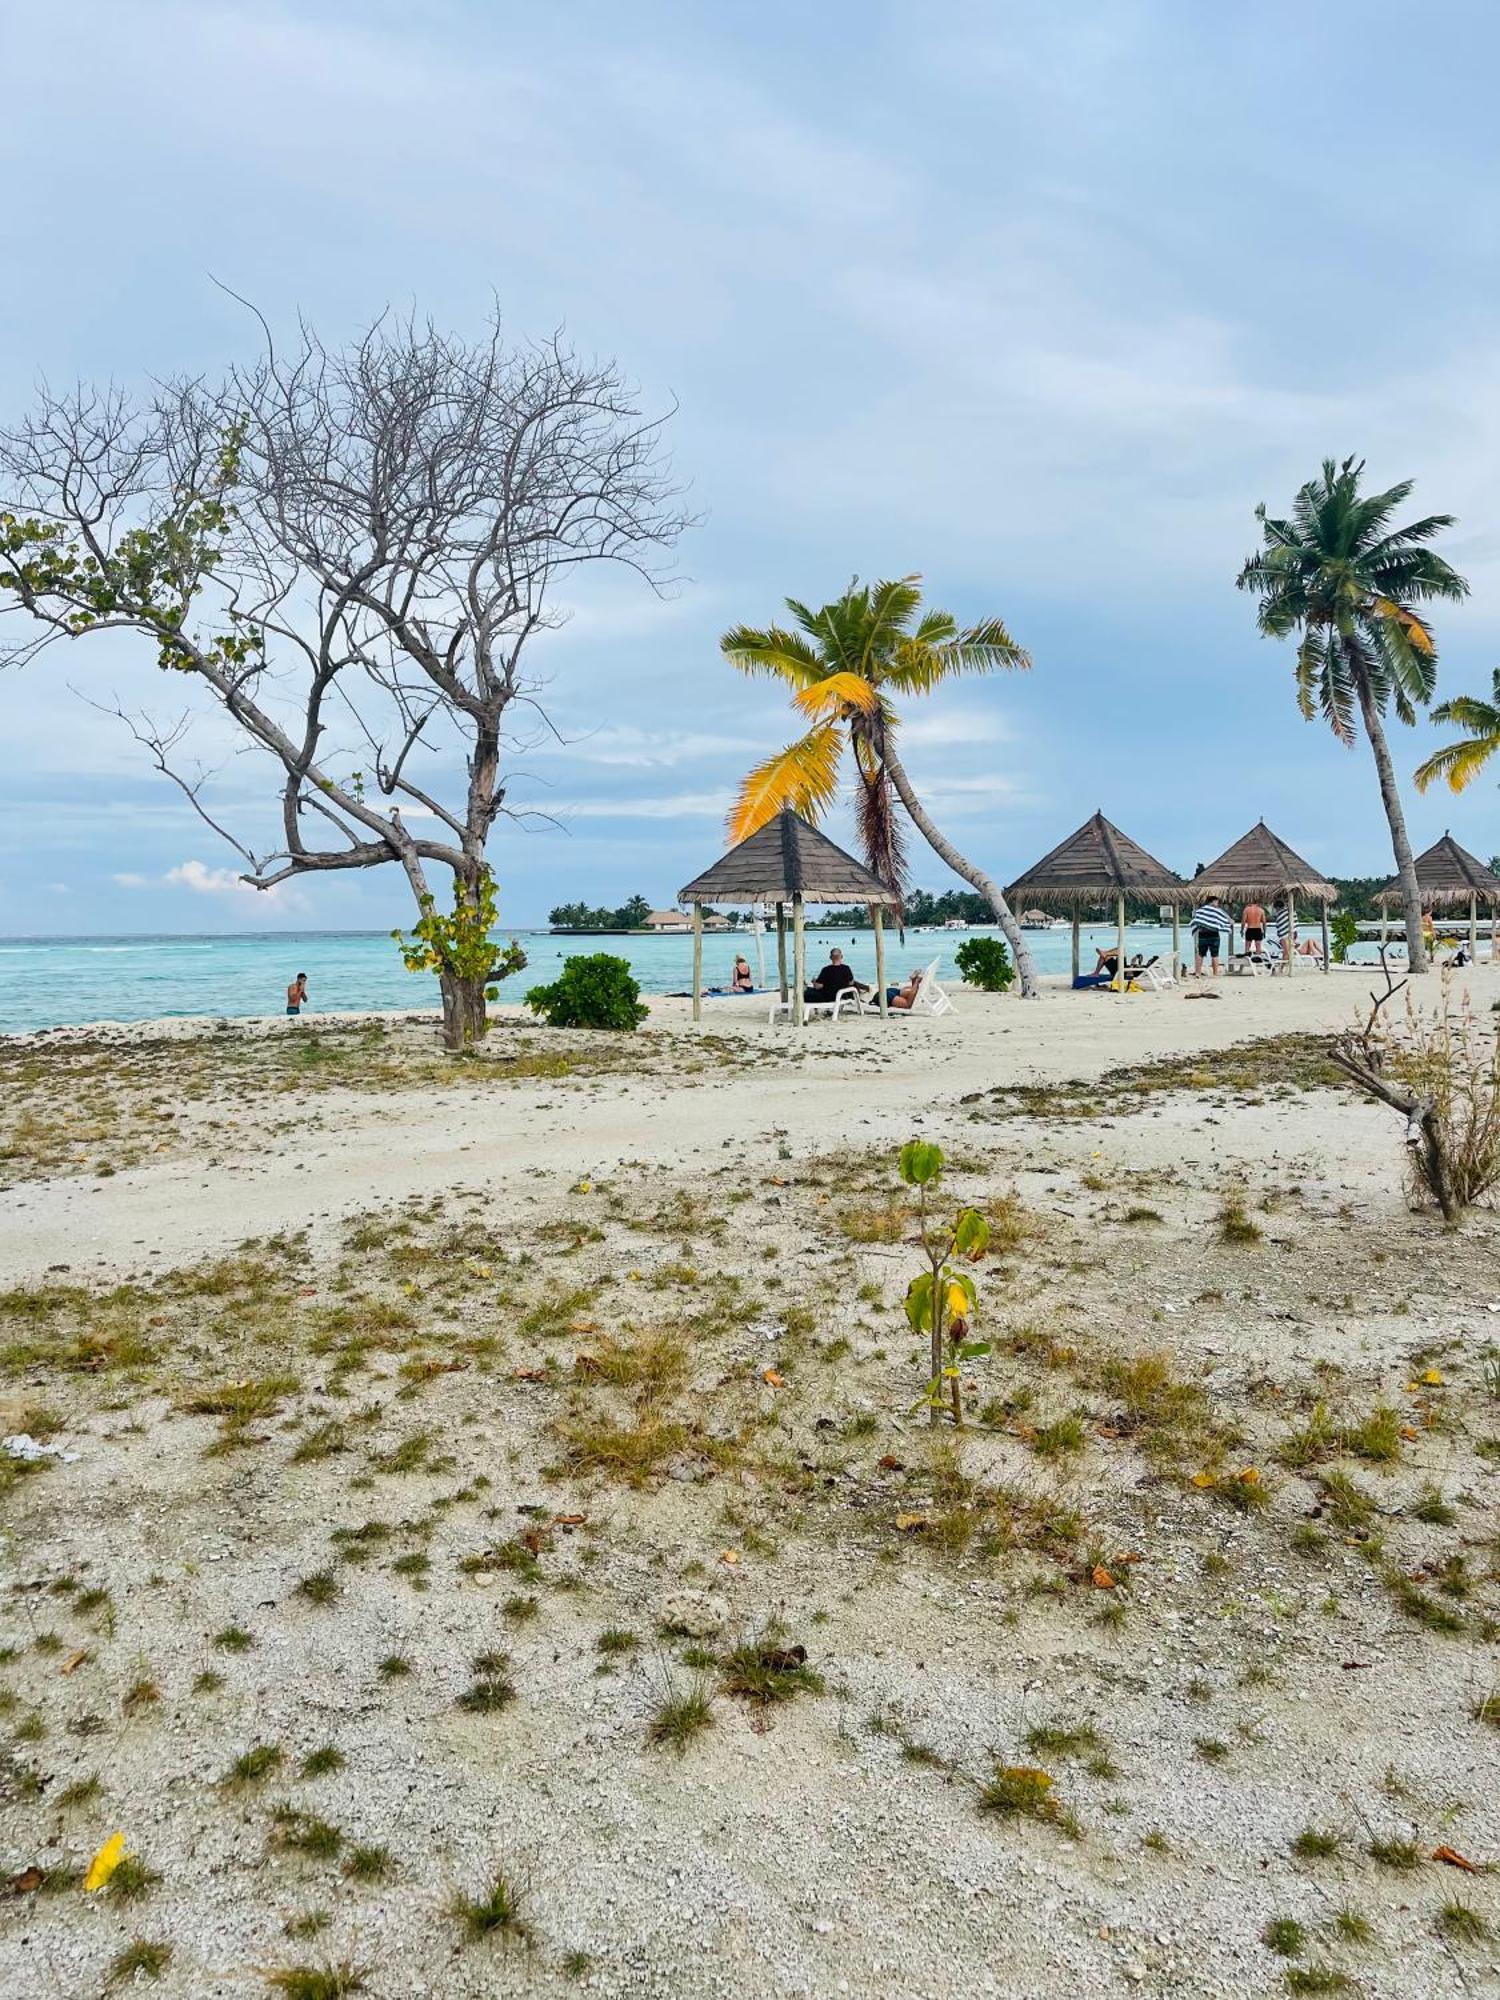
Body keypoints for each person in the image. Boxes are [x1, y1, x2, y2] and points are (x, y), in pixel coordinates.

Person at [1190, 900, 1228, 977]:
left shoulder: (1200, 911)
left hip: (1202, 934)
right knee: (1215, 954)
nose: (1217, 904)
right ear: (1212, 902)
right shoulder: (1216, 911)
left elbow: (1195, 921)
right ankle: (1215, 973)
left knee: (1200, 954)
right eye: (1216, 902)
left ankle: (1198, 972)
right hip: (1214, 934)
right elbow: (1224, 920)